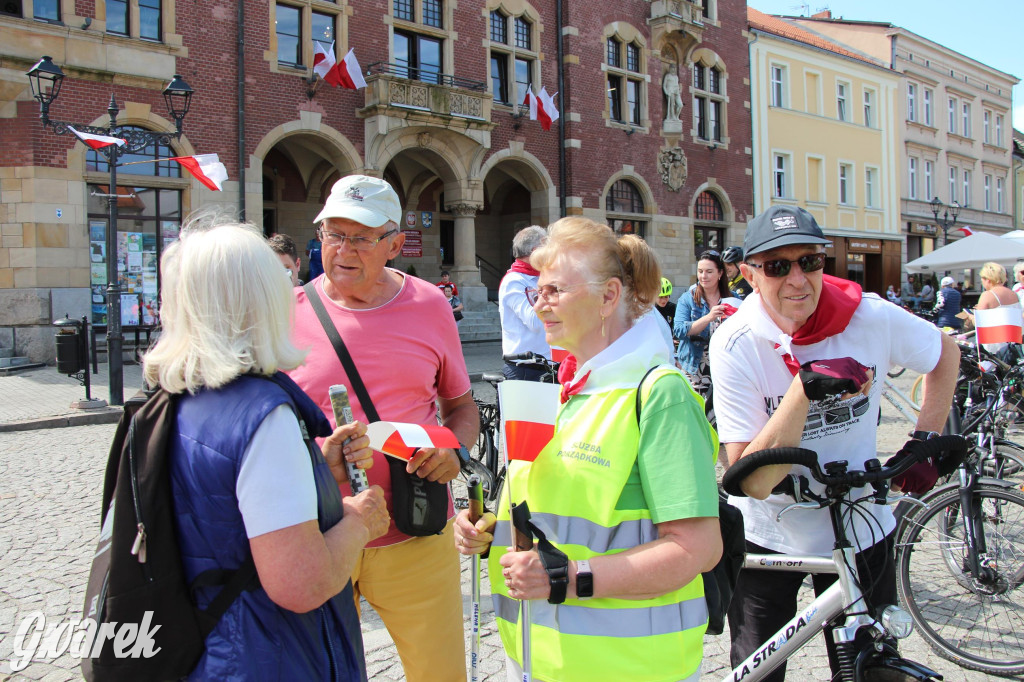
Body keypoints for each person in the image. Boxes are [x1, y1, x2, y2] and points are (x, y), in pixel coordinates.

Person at [454, 217, 721, 682]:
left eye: (555, 290)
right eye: (538, 291)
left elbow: (697, 549)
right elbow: (561, 516)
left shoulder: (659, 393)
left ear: (608, 297)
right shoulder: (570, 387)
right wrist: (491, 532)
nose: (540, 305)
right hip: (542, 658)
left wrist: (567, 576)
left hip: (631, 668)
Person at [709, 205, 960, 682]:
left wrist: (925, 437)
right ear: (748, 275)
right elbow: (751, 481)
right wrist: (803, 390)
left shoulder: (870, 316)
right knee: (758, 671)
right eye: (778, 266)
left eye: (811, 261)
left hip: (858, 521)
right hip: (770, 531)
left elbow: (945, 352)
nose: (798, 279)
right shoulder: (734, 341)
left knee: (868, 670)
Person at [144, 221, 390, 679]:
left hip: (206, 647)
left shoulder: (172, 398)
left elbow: (221, 510)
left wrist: (318, 475)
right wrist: (358, 521)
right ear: (261, 302)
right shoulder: (262, 414)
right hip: (265, 654)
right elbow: (302, 584)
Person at [288, 175, 479, 682]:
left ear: (396, 243)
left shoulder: (429, 305)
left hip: (413, 533)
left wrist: (454, 451)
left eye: (362, 237)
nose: (344, 250)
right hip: (319, 536)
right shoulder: (288, 314)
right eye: (333, 234)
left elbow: (461, 406)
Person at [498, 225, 552, 380]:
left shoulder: (539, 277)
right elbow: (535, 322)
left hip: (548, 363)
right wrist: (548, 287)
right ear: (535, 252)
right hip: (526, 368)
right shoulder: (514, 281)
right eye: (546, 249)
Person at [674, 250, 734, 383]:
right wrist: (708, 317)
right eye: (700, 271)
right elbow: (679, 331)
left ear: (720, 273)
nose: (703, 276)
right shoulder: (687, 299)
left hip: (727, 366)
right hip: (695, 367)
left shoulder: (733, 298)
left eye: (709, 271)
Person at [972, 261, 1022, 359]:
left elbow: (979, 322)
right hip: (1013, 345)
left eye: (982, 278)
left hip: (994, 346)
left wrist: (971, 317)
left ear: (988, 279)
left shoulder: (987, 295)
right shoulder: (1014, 294)